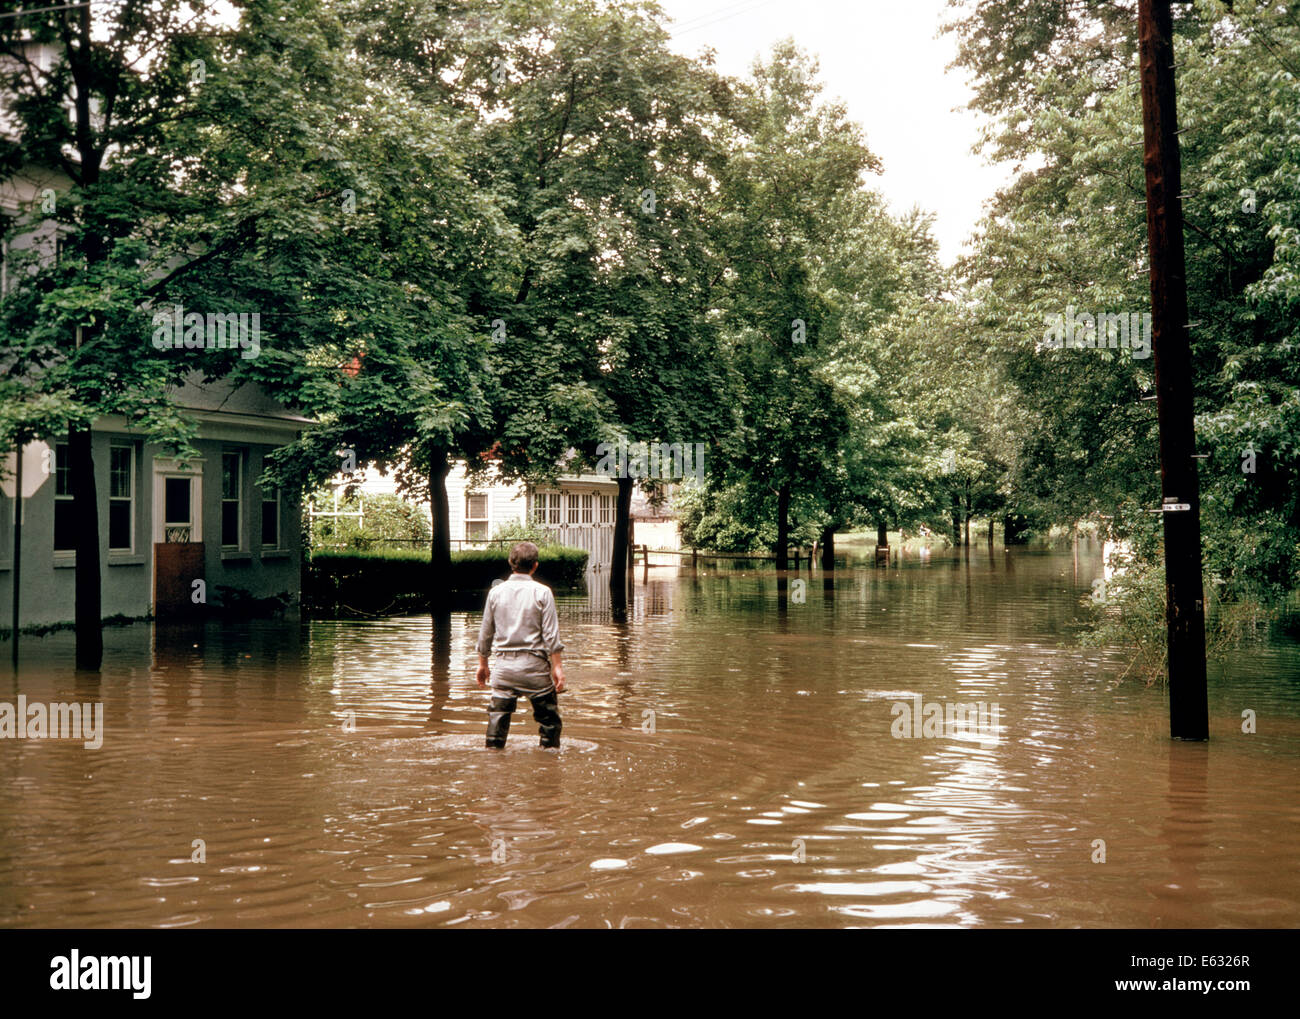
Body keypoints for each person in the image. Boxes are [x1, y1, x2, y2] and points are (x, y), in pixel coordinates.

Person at [475, 541, 566, 749]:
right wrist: (558, 667)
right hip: (534, 668)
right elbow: (551, 635)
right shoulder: (543, 592)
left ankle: (493, 762)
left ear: (511, 563)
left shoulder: (495, 593)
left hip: (503, 669)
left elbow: (485, 633)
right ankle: (549, 765)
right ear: (535, 565)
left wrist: (482, 664)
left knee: (496, 725)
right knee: (550, 723)